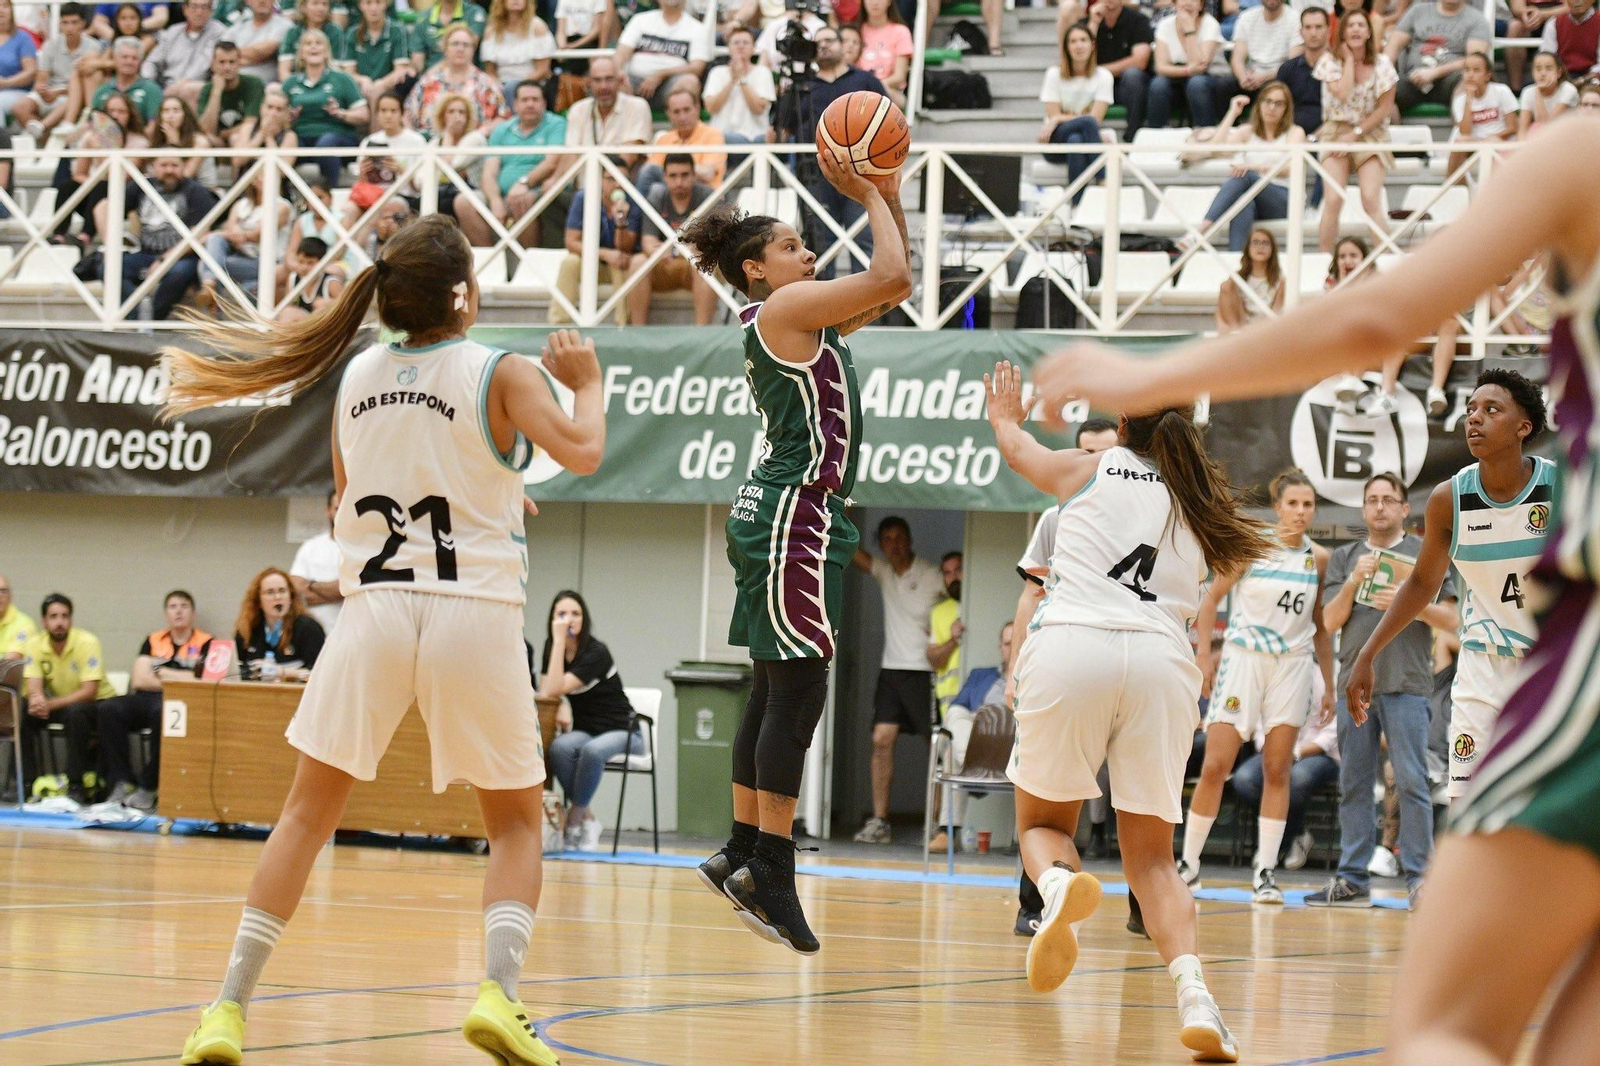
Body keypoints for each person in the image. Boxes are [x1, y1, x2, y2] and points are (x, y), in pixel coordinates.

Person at [1023, 115, 1600, 1066]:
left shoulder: (1576, 154)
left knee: (1448, 1027)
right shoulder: (1436, 502)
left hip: (1567, 668)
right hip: (1183, 661)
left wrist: (1150, 370)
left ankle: (1238, 884)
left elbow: (1376, 317)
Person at [163, 212, 605, 1066]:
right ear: (464, 295)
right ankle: (498, 997)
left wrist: (489, 487)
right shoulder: (502, 370)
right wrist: (586, 382)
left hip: (371, 618)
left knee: (303, 817)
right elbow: (584, 451)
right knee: (514, 825)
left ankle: (225, 1010)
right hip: (471, 617)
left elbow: (345, 504)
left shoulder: (358, 376)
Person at [984, 359, 1271, 1063]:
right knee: (1155, 864)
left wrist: (1004, 416)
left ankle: (1056, 889)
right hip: (1159, 662)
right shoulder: (1199, 498)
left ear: (1120, 426)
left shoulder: (1088, 469)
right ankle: (1196, 995)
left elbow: (1017, 451)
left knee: (1045, 825)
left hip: (1072, 645)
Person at [682, 146, 910, 955]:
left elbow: (899, 279)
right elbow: (884, 273)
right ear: (755, 271)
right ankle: (771, 870)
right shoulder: (787, 313)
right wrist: (874, 187)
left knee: (775, 686)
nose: (809, 254)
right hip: (795, 510)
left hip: (782, 507)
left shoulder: (795, 312)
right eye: (791, 247)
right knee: (801, 685)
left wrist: (885, 196)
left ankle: (744, 851)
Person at [1350, 371, 1553, 803]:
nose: (1474, 418)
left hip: (1549, 663)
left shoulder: (1560, 487)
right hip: (1482, 662)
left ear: (1524, 427)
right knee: (1466, 802)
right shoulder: (1449, 499)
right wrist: (1368, 653)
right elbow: (1422, 583)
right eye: (1470, 410)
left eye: (1491, 410)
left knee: (1547, 808)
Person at [1180, 469, 1335, 904]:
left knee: (1278, 769)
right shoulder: (1252, 545)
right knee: (1215, 765)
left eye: (1308, 504)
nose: (1300, 512)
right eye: (1293, 503)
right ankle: (1189, 866)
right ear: (1278, 506)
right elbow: (1208, 599)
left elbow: (1322, 626)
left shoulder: (1320, 559)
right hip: (1244, 660)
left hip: (1293, 666)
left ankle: (1264, 873)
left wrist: (1330, 685)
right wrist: (1203, 656)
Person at [1006, 417, 1120, 934]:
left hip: (1111, 660)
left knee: (1135, 800)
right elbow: (1031, 593)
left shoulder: (1148, 510)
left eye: (1104, 451)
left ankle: (1141, 905)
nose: (1093, 461)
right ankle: (1038, 906)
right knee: (1042, 793)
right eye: (1085, 451)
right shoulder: (1057, 516)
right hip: (1072, 660)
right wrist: (1015, 670)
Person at [849, 516, 947, 845]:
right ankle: (880, 821)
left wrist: (943, 635)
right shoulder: (883, 571)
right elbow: (852, 552)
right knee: (881, 739)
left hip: (925, 673)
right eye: (886, 538)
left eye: (899, 537)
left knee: (935, 747)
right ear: (881, 544)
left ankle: (937, 824)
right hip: (892, 671)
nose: (893, 543)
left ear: (910, 540)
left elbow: (958, 602)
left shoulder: (932, 575)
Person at [771, 27, 887, 278]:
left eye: (829, 40)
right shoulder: (802, 87)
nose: (824, 45)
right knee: (820, 246)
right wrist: (782, 95)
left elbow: (887, 122)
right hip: (815, 175)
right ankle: (825, 312)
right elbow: (778, 134)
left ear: (842, 44)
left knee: (864, 241)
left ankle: (865, 308)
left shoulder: (865, 80)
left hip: (861, 173)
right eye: (818, 41)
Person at [539, 590, 642, 852]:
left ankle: (574, 818)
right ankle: (589, 818)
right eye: (562, 614)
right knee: (560, 748)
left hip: (623, 729)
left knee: (591, 752)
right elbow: (546, 692)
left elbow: (555, 687)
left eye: (576, 614)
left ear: (584, 619)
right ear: (552, 619)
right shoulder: (553, 649)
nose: (569, 619)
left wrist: (560, 642)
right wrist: (561, 704)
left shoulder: (596, 652)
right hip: (587, 729)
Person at [95, 590, 214, 812]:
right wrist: (183, 676)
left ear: (193, 613)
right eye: (172, 606)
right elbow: (140, 679)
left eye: (184, 606)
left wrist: (162, 672)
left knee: (165, 714)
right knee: (108, 708)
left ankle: (149, 786)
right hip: (146, 698)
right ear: (166, 613)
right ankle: (124, 781)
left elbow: (205, 680)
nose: (178, 611)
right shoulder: (153, 640)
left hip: (182, 702)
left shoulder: (207, 643)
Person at [20, 594, 116, 806]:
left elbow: (89, 691)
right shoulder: (35, 644)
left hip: (98, 705)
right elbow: (33, 685)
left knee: (77, 713)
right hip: (64, 703)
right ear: (44, 621)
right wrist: (36, 700)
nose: (59, 622)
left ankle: (75, 785)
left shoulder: (87, 642)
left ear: (71, 620)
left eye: (65, 616)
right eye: (53, 617)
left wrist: (49, 703)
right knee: (23, 710)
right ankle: (28, 784)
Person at [1314, 9, 1396, 255]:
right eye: (1351, 26)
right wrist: (1349, 60)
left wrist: (1356, 133)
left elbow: (1385, 109)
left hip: (1370, 129)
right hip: (1336, 129)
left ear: (1370, 32)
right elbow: (1342, 93)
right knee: (1333, 200)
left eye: (1361, 25)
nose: (1356, 30)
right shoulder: (1329, 61)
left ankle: (1386, 261)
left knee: (1370, 200)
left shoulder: (1382, 64)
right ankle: (1323, 264)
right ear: (1343, 32)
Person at [99, 155, 217, 320]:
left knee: (179, 273)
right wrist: (110, 245)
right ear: (153, 167)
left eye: (174, 165)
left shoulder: (196, 190)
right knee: (108, 268)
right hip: (146, 254)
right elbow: (102, 207)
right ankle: (135, 316)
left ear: (184, 166)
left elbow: (201, 234)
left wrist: (164, 260)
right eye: (163, 165)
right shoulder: (141, 186)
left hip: (183, 256)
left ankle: (152, 319)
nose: (169, 170)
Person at [456, 79, 566, 250]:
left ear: (544, 103)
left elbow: (552, 162)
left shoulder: (556, 124)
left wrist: (524, 183)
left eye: (535, 100)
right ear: (514, 104)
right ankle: (493, 262)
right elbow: (489, 172)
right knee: (464, 202)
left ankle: (528, 264)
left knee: (521, 199)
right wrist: (495, 200)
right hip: (503, 193)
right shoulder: (502, 130)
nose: (530, 104)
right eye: (524, 100)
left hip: (536, 189)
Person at [1195, 83, 1305, 251]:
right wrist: (1232, 113)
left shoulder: (1294, 132)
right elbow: (1216, 150)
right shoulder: (1248, 131)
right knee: (1242, 202)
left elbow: (1290, 169)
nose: (1272, 107)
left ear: (1286, 108)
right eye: (1267, 101)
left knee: (1244, 175)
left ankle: (1203, 228)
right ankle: (1237, 264)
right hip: (1255, 198)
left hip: (1285, 198)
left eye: (1278, 103)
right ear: (1259, 104)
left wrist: (1253, 167)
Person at [627, 153, 717, 325]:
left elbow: (710, 244)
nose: (679, 182)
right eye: (673, 176)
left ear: (694, 176)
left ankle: (703, 334)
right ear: (664, 178)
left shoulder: (707, 196)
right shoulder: (656, 196)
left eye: (685, 175)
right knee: (638, 261)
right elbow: (648, 242)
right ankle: (636, 331)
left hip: (692, 265)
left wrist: (677, 250)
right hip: (663, 263)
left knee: (704, 264)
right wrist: (680, 249)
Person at [549, 160, 641, 325]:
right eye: (611, 179)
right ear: (600, 181)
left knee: (621, 262)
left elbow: (625, 247)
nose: (618, 184)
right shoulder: (583, 198)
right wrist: (605, 254)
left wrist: (621, 221)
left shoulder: (633, 201)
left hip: (619, 265)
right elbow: (571, 242)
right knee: (570, 262)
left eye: (623, 179)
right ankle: (558, 324)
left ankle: (623, 327)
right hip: (590, 264)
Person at [283, 29, 368, 188]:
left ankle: (331, 194)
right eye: (308, 44)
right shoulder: (290, 83)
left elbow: (364, 114)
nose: (313, 47)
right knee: (287, 142)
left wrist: (340, 113)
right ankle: (284, 195)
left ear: (327, 51)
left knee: (326, 142)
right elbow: (277, 116)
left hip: (338, 137)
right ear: (301, 52)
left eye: (318, 43)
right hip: (301, 137)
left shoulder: (342, 79)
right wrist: (288, 118)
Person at [1039, 24, 1112, 204]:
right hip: (1054, 142)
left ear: (1092, 45)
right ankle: (1103, 180)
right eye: (1073, 41)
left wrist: (1058, 117)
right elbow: (1088, 120)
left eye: (1083, 40)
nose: (1078, 46)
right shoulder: (1053, 74)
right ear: (1066, 48)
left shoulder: (1103, 76)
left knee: (1076, 140)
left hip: (1082, 140)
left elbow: (1096, 119)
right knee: (1085, 124)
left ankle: (1077, 206)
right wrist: (1059, 118)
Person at [10, 2, 100, 139]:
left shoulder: (93, 47)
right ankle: (46, 142)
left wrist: (58, 92)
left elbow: (89, 85)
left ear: (83, 23)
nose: (70, 28)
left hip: (75, 96)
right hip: (52, 92)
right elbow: (41, 79)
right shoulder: (51, 45)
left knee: (71, 100)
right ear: (60, 24)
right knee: (20, 107)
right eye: (65, 23)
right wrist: (43, 90)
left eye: (74, 22)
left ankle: (43, 130)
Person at [554, 56, 652, 183]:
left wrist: (602, 186)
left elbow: (629, 157)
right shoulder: (578, 109)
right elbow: (570, 154)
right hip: (582, 189)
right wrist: (555, 183)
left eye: (609, 79)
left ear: (619, 80)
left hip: (620, 185)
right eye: (597, 80)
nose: (603, 86)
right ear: (589, 83)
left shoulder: (637, 106)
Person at [923, 551, 965, 851]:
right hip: (950, 707)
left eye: (958, 570)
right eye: (947, 572)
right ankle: (947, 831)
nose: (953, 577)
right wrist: (953, 639)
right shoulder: (939, 612)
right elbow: (934, 659)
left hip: (988, 704)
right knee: (949, 767)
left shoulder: (983, 597)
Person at [1385, 0, 1491, 114]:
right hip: (1413, 79)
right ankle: (1388, 130)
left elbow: (1475, 60)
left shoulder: (1477, 20)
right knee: (1384, 88)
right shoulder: (1417, 11)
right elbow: (1393, 46)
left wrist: (1435, 72)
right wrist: (1383, 73)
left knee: (1470, 81)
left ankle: (1462, 129)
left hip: (1451, 81)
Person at [405, 24, 507, 137]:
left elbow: (502, 117)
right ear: (445, 48)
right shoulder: (428, 82)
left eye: (466, 45)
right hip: (430, 146)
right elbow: (407, 115)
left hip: (474, 146)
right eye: (455, 44)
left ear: (473, 50)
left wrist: (483, 133)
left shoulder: (486, 84)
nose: (460, 49)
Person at [233, 567, 326, 680]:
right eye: (270, 592)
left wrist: (279, 672)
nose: (278, 597)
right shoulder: (247, 629)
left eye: (282, 591)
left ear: (291, 597)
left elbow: (320, 674)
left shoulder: (308, 628)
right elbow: (237, 671)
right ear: (258, 601)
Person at [1149, 0, 1230, 129]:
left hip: (1210, 78)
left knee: (1196, 83)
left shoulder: (1210, 24)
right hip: (1177, 77)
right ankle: (1156, 135)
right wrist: (1187, 71)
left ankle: (1205, 133)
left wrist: (1189, 30)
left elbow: (1200, 65)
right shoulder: (1165, 25)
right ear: (1174, 4)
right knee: (1158, 84)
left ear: (1201, 4)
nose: (1188, 3)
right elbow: (1161, 68)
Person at [614, 0, 709, 109]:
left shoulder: (697, 29)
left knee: (690, 82)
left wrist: (661, 75)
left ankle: (684, 125)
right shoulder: (640, 20)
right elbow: (621, 53)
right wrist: (619, 71)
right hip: (634, 82)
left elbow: (697, 67)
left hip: (670, 86)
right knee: (614, 80)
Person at [1081, 0, 1154, 136]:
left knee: (1133, 76)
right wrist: (1094, 24)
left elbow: (1140, 61)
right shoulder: (1086, 24)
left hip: (1125, 86)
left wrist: (1099, 71)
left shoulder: (1138, 20)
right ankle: (1084, 138)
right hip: (1095, 85)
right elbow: (1080, 61)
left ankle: (1132, 136)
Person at [1446, 51, 1519, 180]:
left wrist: (1491, 138)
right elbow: (1464, 132)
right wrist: (1469, 100)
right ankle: (1457, 191)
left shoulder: (1501, 91)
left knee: (1492, 142)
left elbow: (1513, 127)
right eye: (1467, 70)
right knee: (1459, 142)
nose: (1470, 75)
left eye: (1476, 70)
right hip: (1474, 145)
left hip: (1500, 142)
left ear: (1487, 75)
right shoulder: (1460, 100)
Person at [641, 84, 727, 191]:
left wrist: (674, 172)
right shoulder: (664, 139)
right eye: (676, 112)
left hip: (705, 195)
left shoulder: (713, 135)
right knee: (655, 188)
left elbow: (708, 173)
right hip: (672, 194)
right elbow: (650, 171)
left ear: (697, 108)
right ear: (668, 114)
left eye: (686, 110)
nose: (682, 117)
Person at [141, 0, 225, 107]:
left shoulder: (218, 32)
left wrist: (180, 85)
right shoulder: (173, 31)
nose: (199, 12)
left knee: (189, 89)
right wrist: (148, 83)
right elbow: (152, 61)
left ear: (211, 11)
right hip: (165, 87)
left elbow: (204, 64)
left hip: (197, 86)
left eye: (204, 7)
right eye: (194, 7)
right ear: (185, 10)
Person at [703, 24, 775, 146]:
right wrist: (732, 81)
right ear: (729, 47)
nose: (741, 46)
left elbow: (758, 109)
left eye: (746, 43)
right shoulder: (716, 72)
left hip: (754, 138)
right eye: (736, 42)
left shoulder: (763, 72)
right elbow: (711, 108)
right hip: (720, 137)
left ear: (753, 48)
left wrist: (741, 79)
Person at [338, 0, 412, 110]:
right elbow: (349, 72)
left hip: (390, 88)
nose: (373, 8)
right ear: (361, 5)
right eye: (368, 3)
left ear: (385, 4)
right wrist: (363, 80)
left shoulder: (397, 30)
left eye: (378, 2)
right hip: (360, 88)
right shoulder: (352, 33)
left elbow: (400, 70)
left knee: (376, 94)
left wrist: (381, 84)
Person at [480, 0, 555, 105]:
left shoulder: (537, 26)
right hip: (500, 84)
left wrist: (518, 85)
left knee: (512, 87)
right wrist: (496, 86)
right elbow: (490, 71)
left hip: (531, 82)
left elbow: (543, 70)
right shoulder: (492, 30)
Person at [291, 489, 344, 635]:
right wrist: (337, 594)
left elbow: (346, 587)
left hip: (346, 634)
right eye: (337, 508)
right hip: (312, 634)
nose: (342, 513)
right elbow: (297, 589)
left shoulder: (361, 548)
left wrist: (311, 585)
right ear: (328, 511)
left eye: (346, 508)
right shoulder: (310, 546)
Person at [1230, 0, 1301, 104]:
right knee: (1224, 85)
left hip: (1279, 76)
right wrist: (1243, 77)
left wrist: (1263, 77)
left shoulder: (1296, 19)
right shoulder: (1247, 17)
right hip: (1251, 76)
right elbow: (1237, 59)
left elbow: (1292, 64)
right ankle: (1230, 120)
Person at [1216, 226, 1285, 333]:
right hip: (1241, 322)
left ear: (1272, 249)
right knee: (1226, 286)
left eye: (1265, 243)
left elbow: (1277, 311)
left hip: (1267, 324)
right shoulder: (1238, 277)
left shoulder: (1280, 280)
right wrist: (1221, 324)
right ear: (1248, 248)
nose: (1260, 247)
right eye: (1255, 242)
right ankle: (1235, 333)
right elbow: (1222, 303)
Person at [196, 41, 265, 146]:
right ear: (213, 64)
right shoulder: (207, 89)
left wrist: (225, 134)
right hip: (218, 142)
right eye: (222, 62)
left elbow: (250, 123)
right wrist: (216, 92)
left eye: (231, 62)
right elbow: (206, 130)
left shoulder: (253, 84)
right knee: (201, 140)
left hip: (245, 138)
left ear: (239, 63)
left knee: (236, 138)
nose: (227, 67)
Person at [1277, 6, 1332, 134]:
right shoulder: (1287, 69)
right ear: (1301, 32)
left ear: (1329, 31)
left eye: (1318, 27)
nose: (1313, 33)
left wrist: (1313, 139)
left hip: (1330, 137)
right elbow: (1280, 107)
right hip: (1291, 137)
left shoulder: (1340, 68)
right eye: (1308, 27)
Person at [148, 95, 218, 187]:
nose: (170, 115)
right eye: (166, 111)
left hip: (203, 190)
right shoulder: (156, 141)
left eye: (176, 110)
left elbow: (185, 175)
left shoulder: (200, 141)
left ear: (185, 115)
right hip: (166, 192)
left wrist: (174, 143)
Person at [90, 35, 162, 124]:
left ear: (140, 61)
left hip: (139, 136)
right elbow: (92, 123)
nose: (129, 62)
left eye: (134, 58)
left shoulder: (152, 90)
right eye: (124, 57)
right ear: (115, 59)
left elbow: (153, 126)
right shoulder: (102, 90)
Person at [222, 0, 292, 86]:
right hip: (231, 83)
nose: (262, 1)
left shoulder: (284, 25)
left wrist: (232, 59)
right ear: (248, 1)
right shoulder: (237, 28)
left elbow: (261, 52)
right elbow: (221, 54)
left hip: (264, 85)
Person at [859, 0, 913, 108]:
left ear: (890, 2)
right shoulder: (856, 31)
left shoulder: (901, 31)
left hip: (890, 91)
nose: (875, 3)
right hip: (856, 91)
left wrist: (873, 86)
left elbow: (899, 77)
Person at [277, 0, 344, 83]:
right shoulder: (293, 32)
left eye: (325, 4)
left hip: (327, 84)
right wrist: (294, 88)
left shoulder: (334, 31)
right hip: (297, 84)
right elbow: (284, 70)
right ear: (303, 7)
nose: (321, 8)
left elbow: (337, 68)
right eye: (315, 3)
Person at [1518, 50, 1578, 137]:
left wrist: (1538, 91)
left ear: (1558, 73)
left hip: (1567, 136)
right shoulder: (1527, 92)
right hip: (1543, 139)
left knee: (1536, 127)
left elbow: (1546, 126)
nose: (1543, 73)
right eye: (1538, 69)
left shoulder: (1568, 89)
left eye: (1549, 68)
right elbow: (1523, 129)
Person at [0, 0, 38, 128]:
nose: (1, 10)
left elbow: (31, 72)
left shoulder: (22, 38)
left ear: (11, 10)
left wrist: (5, 83)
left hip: (17, 91)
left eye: (5, 6)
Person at [1541, 0, 1600, 79]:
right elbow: (1547, 58)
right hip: (1562, 77)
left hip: (1593, 78)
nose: (1577, 1)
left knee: (1589, 92)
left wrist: (1585, 79)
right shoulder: (1554, 23)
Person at [0, 573, 39, 659]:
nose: (0, 596)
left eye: (3, 591)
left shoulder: (25, 624)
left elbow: (9, 664)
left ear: (10, 596)